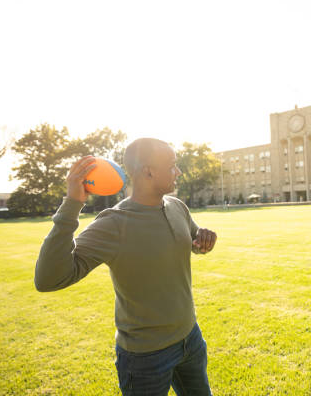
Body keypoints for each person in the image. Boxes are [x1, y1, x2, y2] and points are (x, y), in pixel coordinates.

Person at [35, 138, 217, 395]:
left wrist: (203, 242)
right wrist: (72, 205)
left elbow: (193, 241)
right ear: (148, 171)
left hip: (191, 339)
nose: (178, 171)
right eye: (173, 165)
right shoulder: (113, 224)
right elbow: (48, 279)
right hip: (146, 358)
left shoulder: (178, 207)